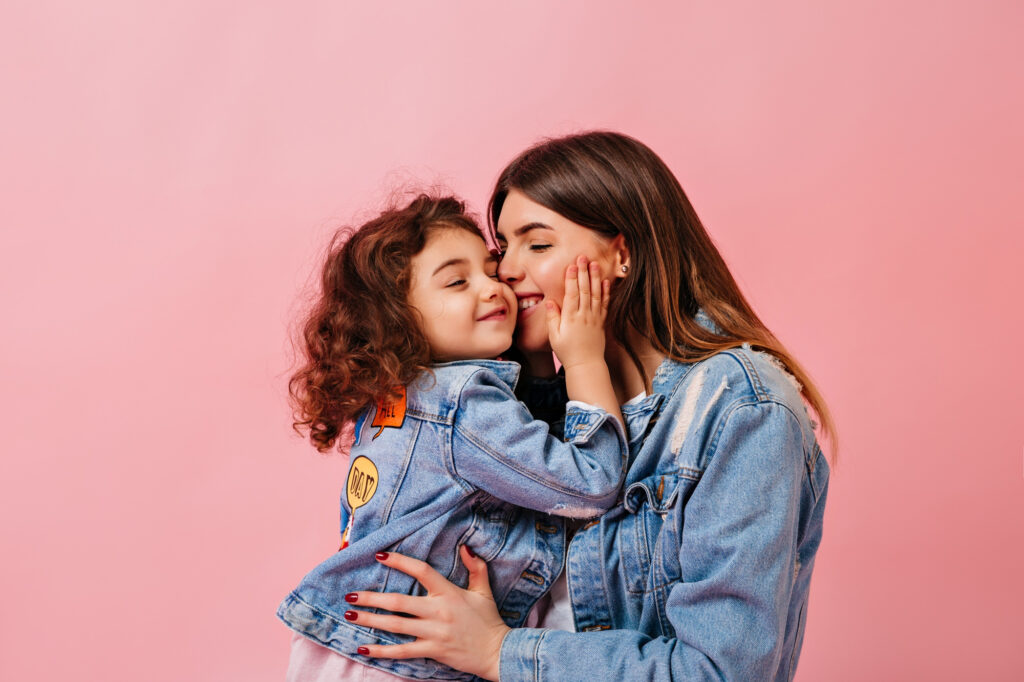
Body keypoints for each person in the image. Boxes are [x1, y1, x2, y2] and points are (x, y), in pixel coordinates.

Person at [344, 131, 835, 681]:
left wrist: (496, 651)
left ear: (621, 254)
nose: (504, 272)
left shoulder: (740, 409)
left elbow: (720, 672)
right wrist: (535, 372)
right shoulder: (527, 404)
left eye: (538, 244)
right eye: (503, 250)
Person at [277, 194, 632, 681]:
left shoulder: (401, 397)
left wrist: (533, 364)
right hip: (400, 660)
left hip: (355, 645)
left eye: (490, 269)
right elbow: (590, 484)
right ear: (395, 318)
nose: (495, 287)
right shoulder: (460, 402)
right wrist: (585, 358)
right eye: (458, 282)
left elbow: (528, 449)